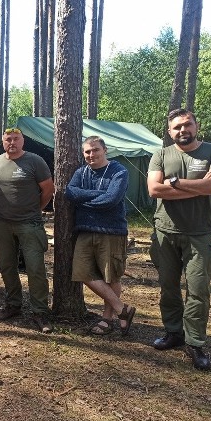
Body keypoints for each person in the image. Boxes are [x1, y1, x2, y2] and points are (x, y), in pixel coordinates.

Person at [147, 108, 211, 370]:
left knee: (198, 290)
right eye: (177, 127)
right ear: (169, 132)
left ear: (196, 126)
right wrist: (199, 186)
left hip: (201, 234)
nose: (182, 130)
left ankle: (196, 343)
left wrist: (176, 183)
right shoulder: (161, 154)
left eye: (187, 124)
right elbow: (155, 189)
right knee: (168, 287)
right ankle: (174, 333)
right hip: (165, 232)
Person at [65, 136, 135, 335]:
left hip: (112, 231)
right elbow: (70, 193)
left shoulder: (118, 171)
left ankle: (107, 319)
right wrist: (99, 194)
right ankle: (123, 310)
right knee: (82, 273)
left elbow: (111, 200)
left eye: (95, 150)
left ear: (105, 150)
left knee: (111, 275)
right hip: (85, 230)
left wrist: (84, 199)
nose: (91, 154)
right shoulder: (81, 172)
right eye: (87, 151)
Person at [0, 127, 54, 333]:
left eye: (16, 139)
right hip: (3, 224)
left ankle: (40, 312)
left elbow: (48, 189)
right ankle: (13, 304)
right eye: (8, 139)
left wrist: (35, 210)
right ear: (2, 141)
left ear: (22, 141)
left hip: (30, 224)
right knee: (7, 267)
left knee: (35, 268)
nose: (12, 143)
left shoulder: (35, 161)